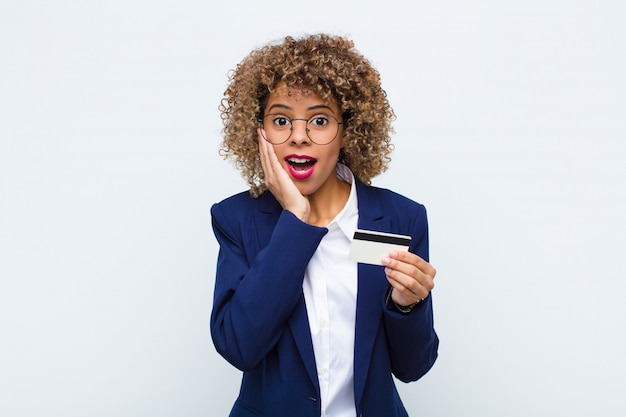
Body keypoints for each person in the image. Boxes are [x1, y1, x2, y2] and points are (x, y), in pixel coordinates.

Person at [210, 33, 438, 417]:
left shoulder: (401, 218)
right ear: (260, 133)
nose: (299, 136)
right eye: (281, 120)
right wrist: (295, 221)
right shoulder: (238, 219)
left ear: (347, 130)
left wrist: (406, 306)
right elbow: (239, 346)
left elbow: (413, 367)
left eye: (319, 120)